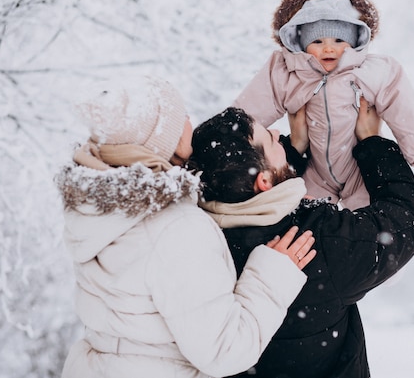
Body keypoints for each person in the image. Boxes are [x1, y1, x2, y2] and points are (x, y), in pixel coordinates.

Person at [54, 75, 316, 378]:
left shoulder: (101, 211)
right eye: (182, 118)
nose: (191, 122)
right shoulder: (176, 229)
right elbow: (223, 351)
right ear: (168, 141)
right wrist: (271, 275)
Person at [187, 99, 414, 378]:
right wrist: (374, 144)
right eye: (271, 139)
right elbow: (405, 221)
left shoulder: (196, 242)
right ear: (263, 180)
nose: (278, 134)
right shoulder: (318, 241)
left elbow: (252, 193)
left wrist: (291, 151)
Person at [233, 0, 414, 210]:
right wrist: (232, 139)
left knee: (368, 217)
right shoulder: (289, 72)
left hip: (359, 168)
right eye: (318, 41)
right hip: (314, 169)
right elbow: (254, 105)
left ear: (354, 42)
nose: (329, 48)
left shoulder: (370, 71)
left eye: (339, 40)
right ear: (300, 44)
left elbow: (400, 101)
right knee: (305, 217)